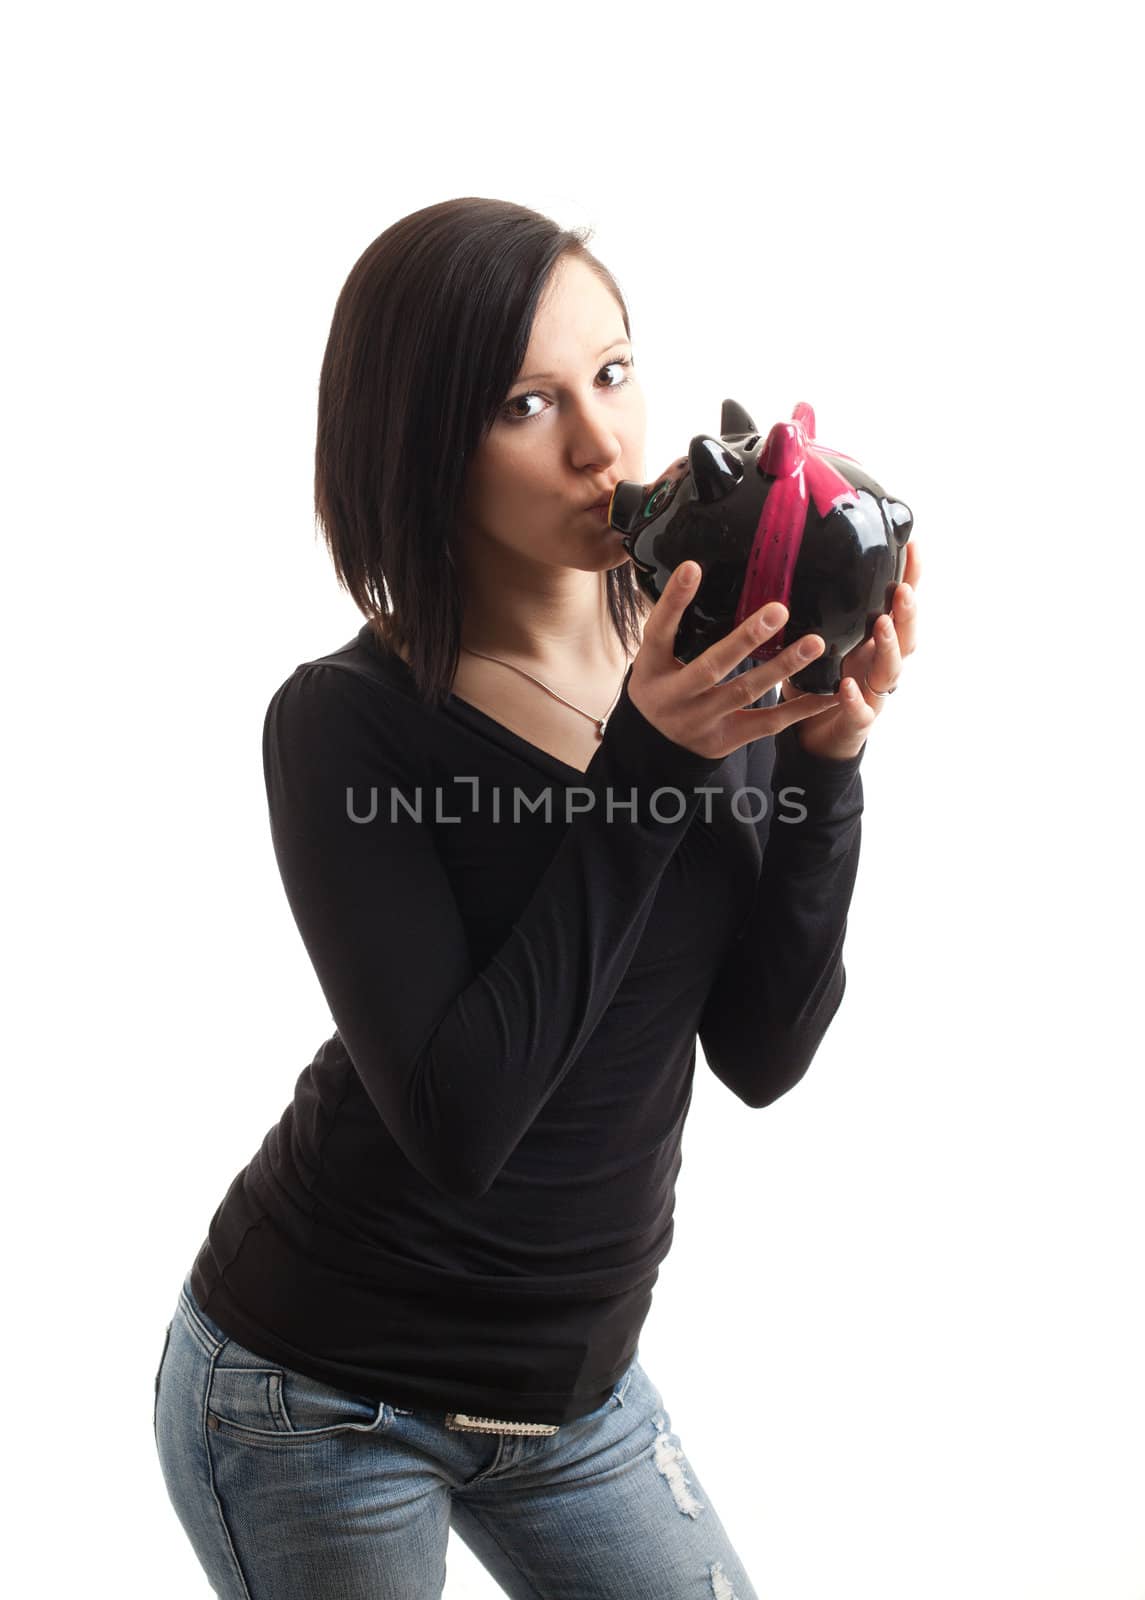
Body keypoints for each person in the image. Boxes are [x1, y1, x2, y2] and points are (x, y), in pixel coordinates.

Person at [152, 196, 920, 1600]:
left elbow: (759, 1055)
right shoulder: (344, 726)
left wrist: (822, 767)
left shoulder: (700, 672)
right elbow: (459, 1124)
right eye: (526, 402)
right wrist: (651, 763)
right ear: (425, 443)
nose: (603, 444)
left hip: (574, 1397)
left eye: (613, 374)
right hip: (319, 1396)